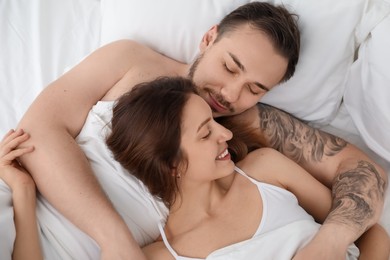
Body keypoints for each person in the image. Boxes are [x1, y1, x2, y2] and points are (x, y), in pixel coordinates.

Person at [15, 2, 387, 259]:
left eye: (256, 89)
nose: (230, 94)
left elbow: (362, 169)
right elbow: (37, 132)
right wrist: (111, 236)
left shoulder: (247, 125)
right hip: (21, 210)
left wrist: (331, 241)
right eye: (229, 66)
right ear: (208, 39)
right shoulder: (133, 61)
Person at [2, 78, 388, 259]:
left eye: (215, 122)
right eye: (206, 133)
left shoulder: (265, 170)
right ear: (171, 164)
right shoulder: (160, 255)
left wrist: (326, 246)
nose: (225, 134)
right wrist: (23, 192)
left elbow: (373, 234)